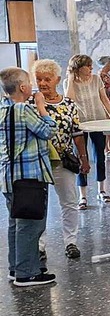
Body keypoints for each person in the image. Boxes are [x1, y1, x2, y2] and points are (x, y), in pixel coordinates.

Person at [0, 67, 57, 286]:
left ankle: (16, 268)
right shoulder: (23, 110)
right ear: (23, 88)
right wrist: (42, 107)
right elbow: (48, 131)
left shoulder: (3, 108)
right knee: (31, 225)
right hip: (30, 177)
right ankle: (27, 273)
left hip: (8, 176)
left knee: (16, 223)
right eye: (30, 82)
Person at [31, 59, 90, 259]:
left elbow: (77, 133)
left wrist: (84, 158)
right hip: (37, 161)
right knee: (40, 203)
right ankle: (39, 245)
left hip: (63, 160)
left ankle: (71, 242)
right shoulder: (30, 104)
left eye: (47, 79)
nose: (42, 83)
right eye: (39, 79)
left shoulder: (69, 104)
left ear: (56, 79)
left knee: (69, 202)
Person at [64, 54, 110, 210]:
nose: (91, 69)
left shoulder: (96, 79)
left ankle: (102, 189)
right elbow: (69, 100)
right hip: (80, 123)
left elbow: (104, 98)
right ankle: (83, 195)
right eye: (88, 66)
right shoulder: (69, 82)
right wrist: (71, 79)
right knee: (81, 157)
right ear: (79, 68)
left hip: (98, 121)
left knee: (100, 154)